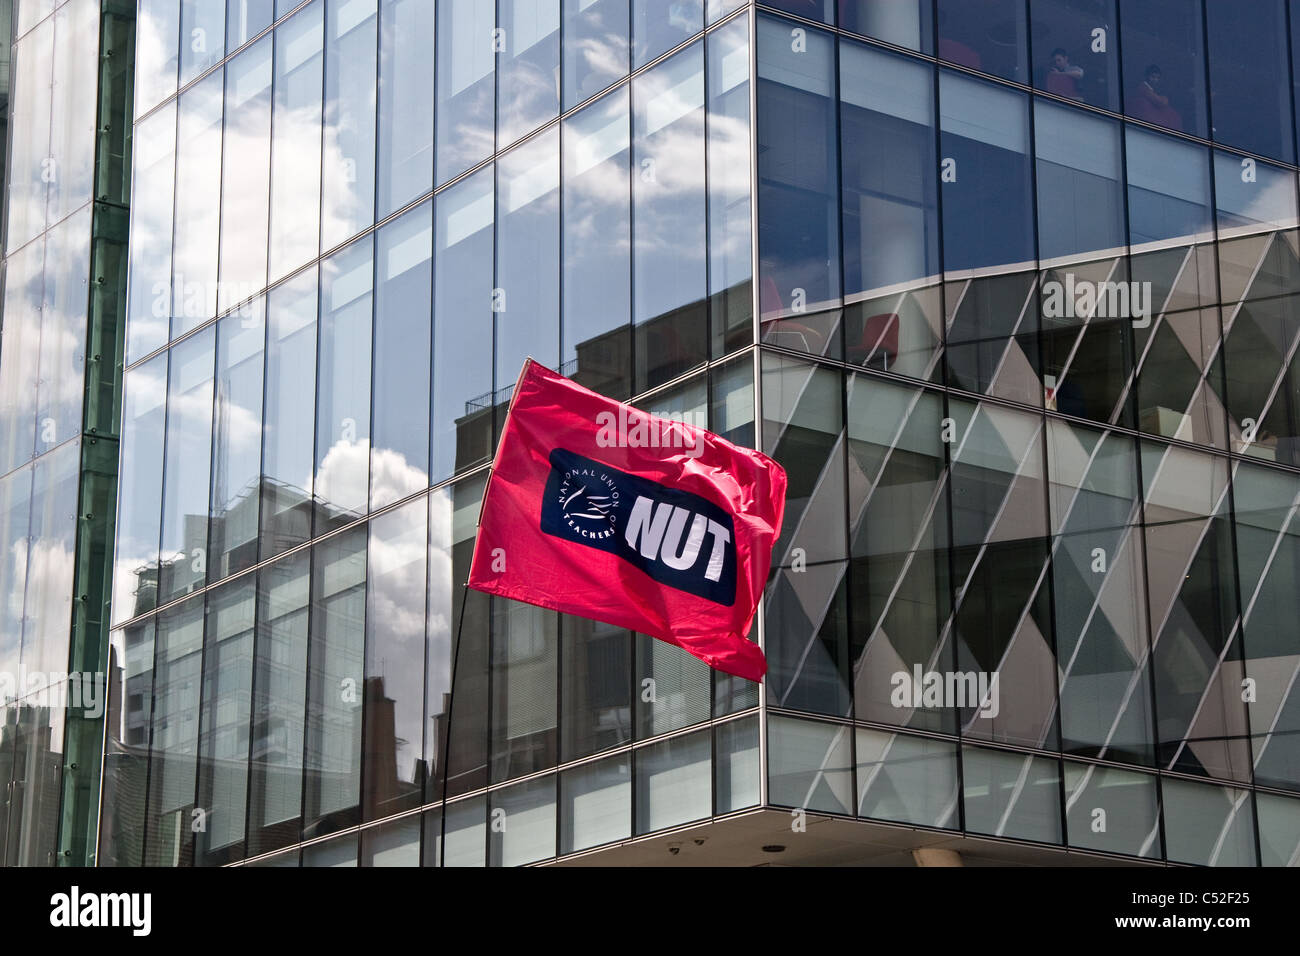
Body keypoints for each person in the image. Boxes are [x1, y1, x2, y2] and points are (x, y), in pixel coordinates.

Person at [1131, 64, 1183, 131]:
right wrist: (1165, 98)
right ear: (1147, 76)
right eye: (1153, 77)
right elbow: (1159, 102)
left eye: (1157, 78)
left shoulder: (1149, 89)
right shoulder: (1143, 88)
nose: (1155, 80)